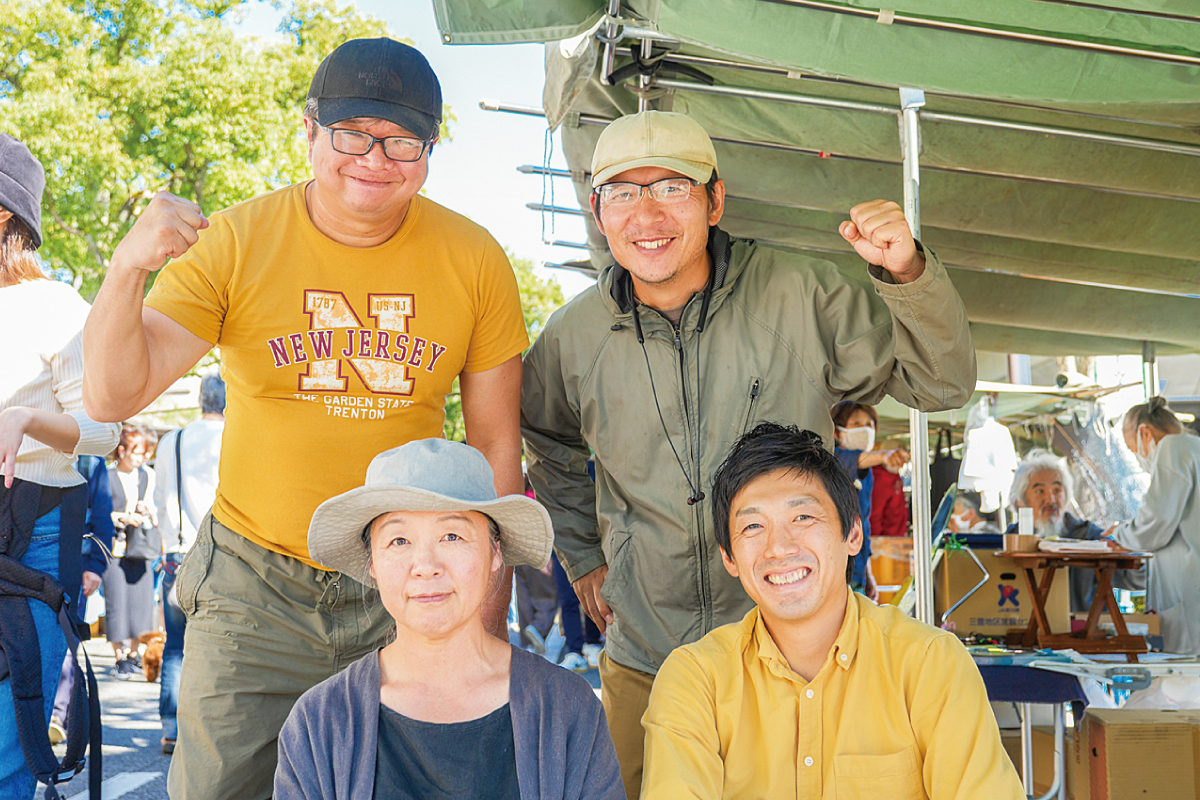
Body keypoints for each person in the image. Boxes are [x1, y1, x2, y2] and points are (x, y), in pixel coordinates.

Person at [82, 38, 529, 799]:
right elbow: (111, 397)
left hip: (403, 585)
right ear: (310, 130)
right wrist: (127, 267)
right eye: (352, 135)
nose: (374, 159)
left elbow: (494, 447)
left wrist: (483, 620)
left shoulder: (475, 258)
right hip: (254, 586)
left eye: (401, 142)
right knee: (218, 786)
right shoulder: (236, 240)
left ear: (429, 151)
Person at [521, 110, 976, 797]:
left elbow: (940, 383)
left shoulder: (801, 293)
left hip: (797, 660)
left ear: (714, 199)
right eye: (622, 192)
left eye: (672, 187)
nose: (647, 213)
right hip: (647, 652)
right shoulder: (572, 335)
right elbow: (547, 441)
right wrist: (583, 556)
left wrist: (907, 271)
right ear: (597, 211)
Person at [640, 423, 1023, 799]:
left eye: (803, 517)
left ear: (854, 534)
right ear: (729, 557)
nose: (780, 547)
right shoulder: (695, 680)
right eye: (753, 526)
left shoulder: (928, 663)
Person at [274, 439, 624, 799]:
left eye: (452, 536)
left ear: (494, 553)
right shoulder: (319, 724)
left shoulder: (567, 710)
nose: (426, 566)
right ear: (372, 563)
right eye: (399, 540)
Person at [0, 134, 120, 800]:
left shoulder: (58, 308)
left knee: (8, 754)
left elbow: (105, 429)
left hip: (32, 545)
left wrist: (26, 420)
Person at [152, 372, 225, 754]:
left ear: (200, 400)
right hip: (224, 556)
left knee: (176, 646)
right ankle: (211, 729)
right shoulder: (236, 438)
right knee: (223, 646)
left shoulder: (172, 441)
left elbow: (160, 499)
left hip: (178, 555)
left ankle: (171, 730)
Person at [1108, 397, 1200, 655]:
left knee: (1186, 679)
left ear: (1144, 432)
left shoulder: (1172, 448)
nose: (1137, 457)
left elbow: (1156, 523)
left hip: (1190, 589)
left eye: (1132, 448)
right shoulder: (1194, 447)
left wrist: (1119, 533)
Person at [1007, 450, 1140, 613]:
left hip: (1085, 630)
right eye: (1040, 491)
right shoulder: (1011, 541)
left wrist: (1132, 549)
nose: (1051, 500)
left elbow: (1135, 583)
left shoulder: (1091, 537)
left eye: (1057, 490)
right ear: (1021, 501)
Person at [830, 401, 909, 600]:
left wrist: (868, 573)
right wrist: (884, 455)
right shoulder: (830, 460)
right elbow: (850, 460)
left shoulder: (868, 474)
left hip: (856, 569)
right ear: (837, 433)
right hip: (834, 568)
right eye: (856, 424)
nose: (865, 429)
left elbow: (863, 525)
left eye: (869, 424)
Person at [103, 424, 160, 678]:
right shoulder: (106, 475)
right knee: (117, 603)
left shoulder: (147, 475)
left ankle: (134, 654)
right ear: (122, 450)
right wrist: (123, 517)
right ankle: (119, 657)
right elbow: (99, 512)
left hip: (140, 547)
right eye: (136, 453)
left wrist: (145, 511)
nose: (141, 458)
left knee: (141, 603)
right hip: (114, 549)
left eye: (144, 453)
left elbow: (154, 507)